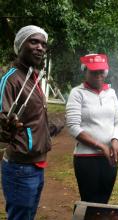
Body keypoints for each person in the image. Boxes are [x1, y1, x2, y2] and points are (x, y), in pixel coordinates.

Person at [0, 25, 51, 220]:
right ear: (20, 45)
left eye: (43, 44)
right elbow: (2, 119)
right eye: (34, 41)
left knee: (28, 216)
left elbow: (33, 117)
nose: (40, 47)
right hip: (20, 168)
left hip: (36, 165)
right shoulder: (11, 79)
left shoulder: (33, 78)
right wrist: (5, 128)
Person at [66, 54, 118, 203]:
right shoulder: (77, 93)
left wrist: (116, 139)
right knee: (89, 203)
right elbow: (73, 127)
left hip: (110, 158)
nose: (98, 76)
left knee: (103, 202)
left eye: (101, 72)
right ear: (85, 71)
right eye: (93, 72)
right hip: (86, 159)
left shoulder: (111, 93)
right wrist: (101, 146)